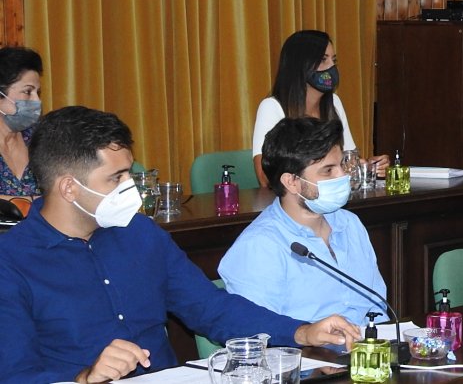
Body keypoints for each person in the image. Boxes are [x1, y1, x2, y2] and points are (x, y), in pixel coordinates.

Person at [0, 106, 359, 383]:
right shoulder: (12, 262)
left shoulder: (140, 233)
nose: (132, 187)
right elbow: (14, 374)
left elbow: (211, 308)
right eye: (117, 178)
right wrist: (84, 378)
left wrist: (301, 331)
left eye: (130, 173)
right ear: (69, 188)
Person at [220, 116, 387, 324]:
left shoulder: (350, 224)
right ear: (291, 182)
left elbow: (378, 308)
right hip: (306, 355)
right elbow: (257, 335)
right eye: (328, 170)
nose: (343, 175)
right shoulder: (259, 246)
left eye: (341, 164)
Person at [252, 29, 386, 186]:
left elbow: (349, 160)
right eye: (323, 60)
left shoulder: (334, 102)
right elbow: (264, 177)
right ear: (300, 65)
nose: (331, 67)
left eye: (333, 61)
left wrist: (369, 167)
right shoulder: (272, 107)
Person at [0, 46, 44, 203]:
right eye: (28, 92)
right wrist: (30, 202)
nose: (37, 101)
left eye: (37, 93)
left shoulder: (40, 137)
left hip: (39, 227)